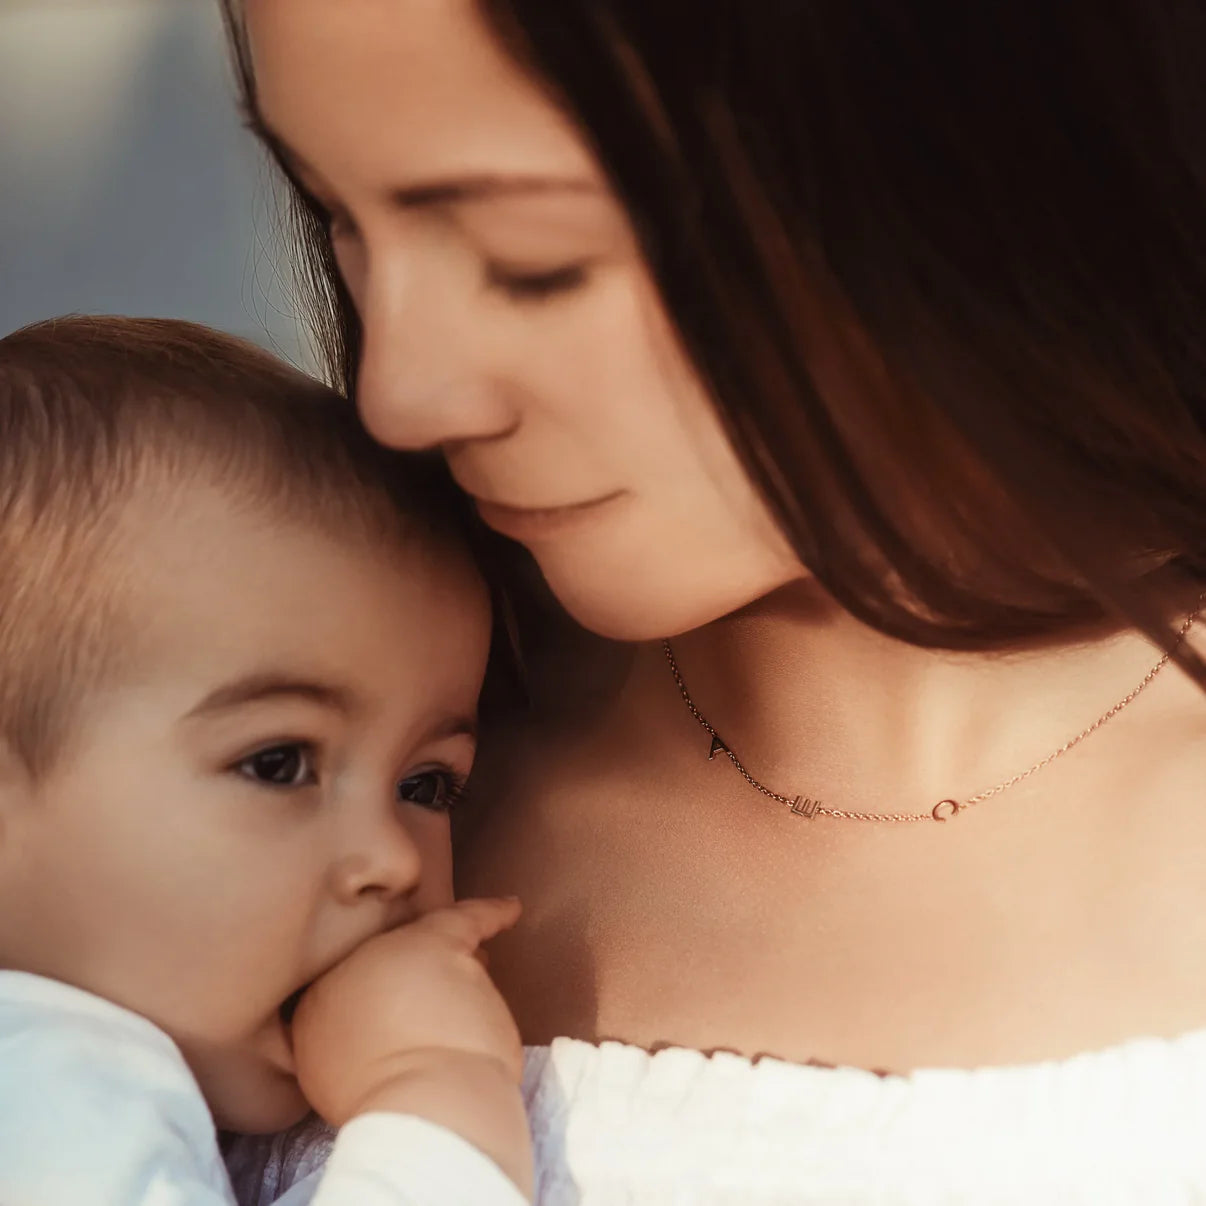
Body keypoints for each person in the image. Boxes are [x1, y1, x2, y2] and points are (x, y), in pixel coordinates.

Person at [226, 2, 1206, 1201]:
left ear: (952, 160)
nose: (401, 396)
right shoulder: (250, 780)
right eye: (336, 214)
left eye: (532, 262)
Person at [0, 315, 532, 1205]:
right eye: (280, 763)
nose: (395, 860)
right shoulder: (53, 1097)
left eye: (427, 785)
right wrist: (435, 1090)